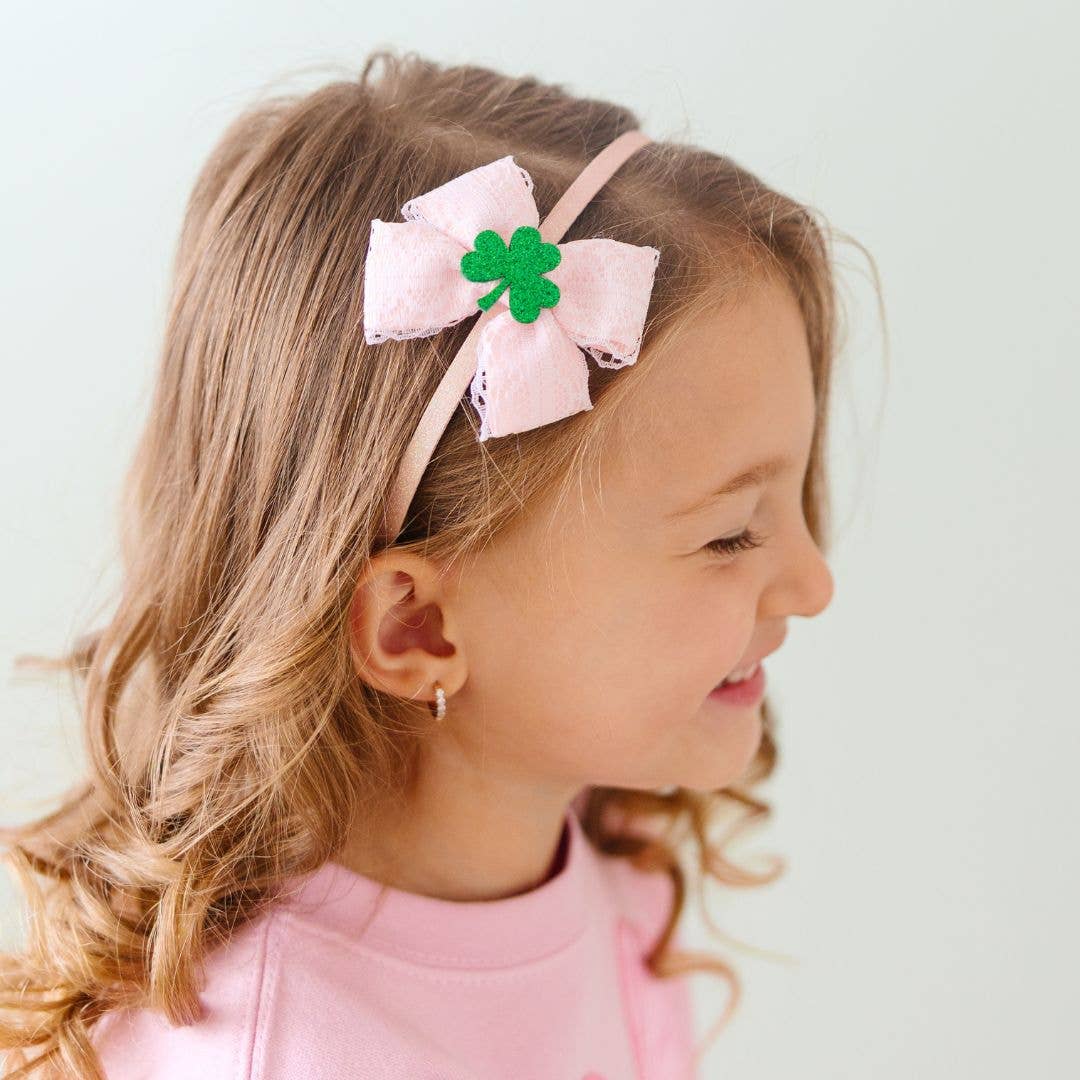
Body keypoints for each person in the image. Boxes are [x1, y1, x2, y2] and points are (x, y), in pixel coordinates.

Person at [0, 46, 848, 1080]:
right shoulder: (279, 1056)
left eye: (792, 503)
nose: (814, 584)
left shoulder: (603, 871)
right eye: (731, 535)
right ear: (417, 629)